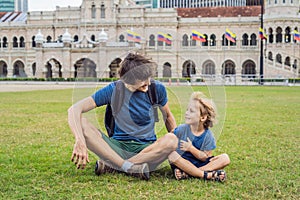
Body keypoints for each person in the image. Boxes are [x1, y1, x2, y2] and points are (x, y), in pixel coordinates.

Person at [68, 52, 177, 180]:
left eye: (148, 78)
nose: (147, 83)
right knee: (82, 123)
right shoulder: (114, 89)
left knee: (172, 140)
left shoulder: (156, 89)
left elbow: (168, 117)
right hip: (116, 147)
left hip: (147, 150)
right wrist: (79, 140)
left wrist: (178, 150)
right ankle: (128, 166)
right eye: (142, 81)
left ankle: (115, 165)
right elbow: (74, 109)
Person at [168, 92, 230, 182]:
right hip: (183, 162)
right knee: (171, 155)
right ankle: (205, 174)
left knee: (225, 158)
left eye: (191, 111)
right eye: (187, 110)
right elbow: (169, 138)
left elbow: (205, 157)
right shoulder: (181, 129)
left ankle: (189, 173)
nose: (187, 113)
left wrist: (191, 148)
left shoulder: (208, 136)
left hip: (200, 163)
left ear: (203, 117)